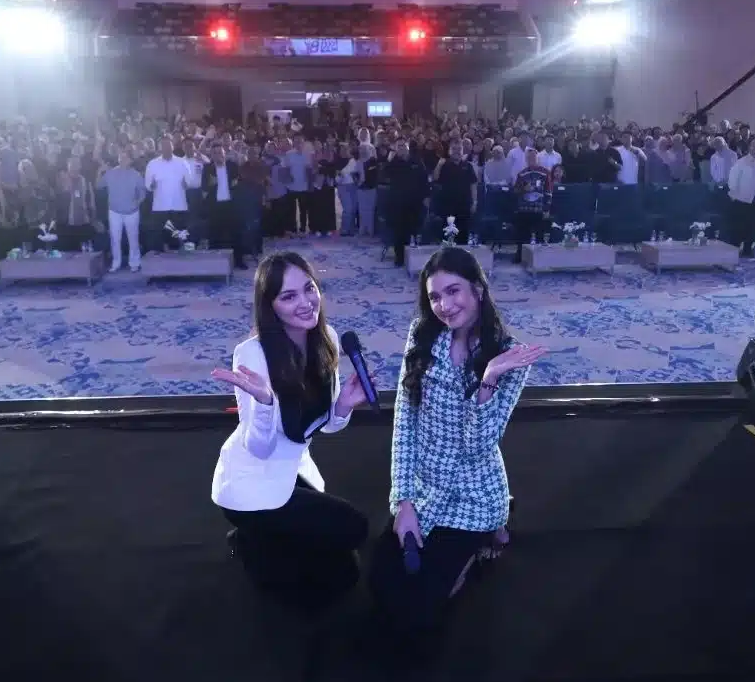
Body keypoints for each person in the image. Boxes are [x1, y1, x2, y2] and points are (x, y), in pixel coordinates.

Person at [368, 247, 546, 635]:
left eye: (453, 291)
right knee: (381, 580)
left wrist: (488, 379)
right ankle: (483, 537)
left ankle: (487, 535)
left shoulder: (508, 357)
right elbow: (405, 423)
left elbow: (479, 446)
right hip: (423, 487)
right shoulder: (422, 336)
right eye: (435, 296)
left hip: (472, 493)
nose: (445, 306)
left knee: (421, 608)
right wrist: (404, 503)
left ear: (477, 289)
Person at [210, 252, 370, 606]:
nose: (305, 302)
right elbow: (260, 447)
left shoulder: (326, 337)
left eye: (309, 288)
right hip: (248, 482)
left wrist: (343, 405)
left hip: (287, 471)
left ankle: (261, 537)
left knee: (345, 572)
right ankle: (249, 540)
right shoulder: (252, 354)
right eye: (289, 296)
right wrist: (266, 404)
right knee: (353, 529)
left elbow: (322, 426)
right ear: (270, 305)